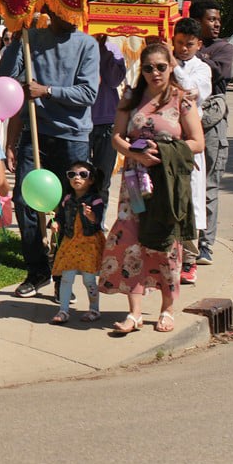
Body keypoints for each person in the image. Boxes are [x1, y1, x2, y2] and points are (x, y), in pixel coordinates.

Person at [99, 43, 203, 335]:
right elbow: (116, 136)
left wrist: (166, 150)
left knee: (166, 246)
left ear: (171, 67)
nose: (155, 73)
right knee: (131, 241)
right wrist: (134, 153)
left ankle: (167, 309)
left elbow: (197, 142)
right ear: (141, 70)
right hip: (134, 184)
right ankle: (134, 313)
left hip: (167, 186)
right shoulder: (131, 98)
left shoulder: (182, 100)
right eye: (148, 67)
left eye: (161, 66)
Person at [0, 16, 100, 298]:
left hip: (72, 136)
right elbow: (5, 77)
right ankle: (38, 270)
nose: (71, 18)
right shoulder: (33, 39)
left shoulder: (87, 44)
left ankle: (62, 276)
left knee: (70, 207)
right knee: (24, 200)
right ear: (51, 11)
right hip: (36, 132)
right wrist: (18, 38)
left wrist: (48, 91)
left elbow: (88, 92)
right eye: (64, 11)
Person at [191, 0, 233, 270]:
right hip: (184, 122)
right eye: (211, 19)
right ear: (197, 22)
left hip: (212, 123)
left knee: (209, 185)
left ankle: (206, 245)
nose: (216, 24)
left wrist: (191, 56)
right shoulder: (189, 45)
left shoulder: (223, 48)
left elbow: (218, 71)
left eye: (218, 19)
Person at [171, 17, 211, 284]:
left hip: (189, 140)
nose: (183, 49)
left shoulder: (202, 69)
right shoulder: (162, 62)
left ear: (199, 44)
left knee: (191, 200)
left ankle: (189, 259)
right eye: (179, 43)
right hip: (165, 136)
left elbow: (190, 91)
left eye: (189, 44)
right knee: (168, 197)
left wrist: (173, 66)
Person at [50, 161, 104, 325]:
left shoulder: (96, 201)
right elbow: (60, 216)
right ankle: (63, 310)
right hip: (70, 241)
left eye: (83, 174)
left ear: (91, 180)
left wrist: (91, 216)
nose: (77, 178)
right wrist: (56, 223)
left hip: (88, 243)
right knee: (66, 278)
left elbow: (98, 220)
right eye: (72, 174)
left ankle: (94, 309)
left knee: (89, 280)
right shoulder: (67, 199)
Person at [89, 35, 127, 207]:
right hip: (81, 123)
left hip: (106, 121)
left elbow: (114, 80)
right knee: (78, 177)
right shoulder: (77, 45)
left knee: (102, 181)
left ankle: (98, 224)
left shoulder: (112, 50)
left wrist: (102, 48)